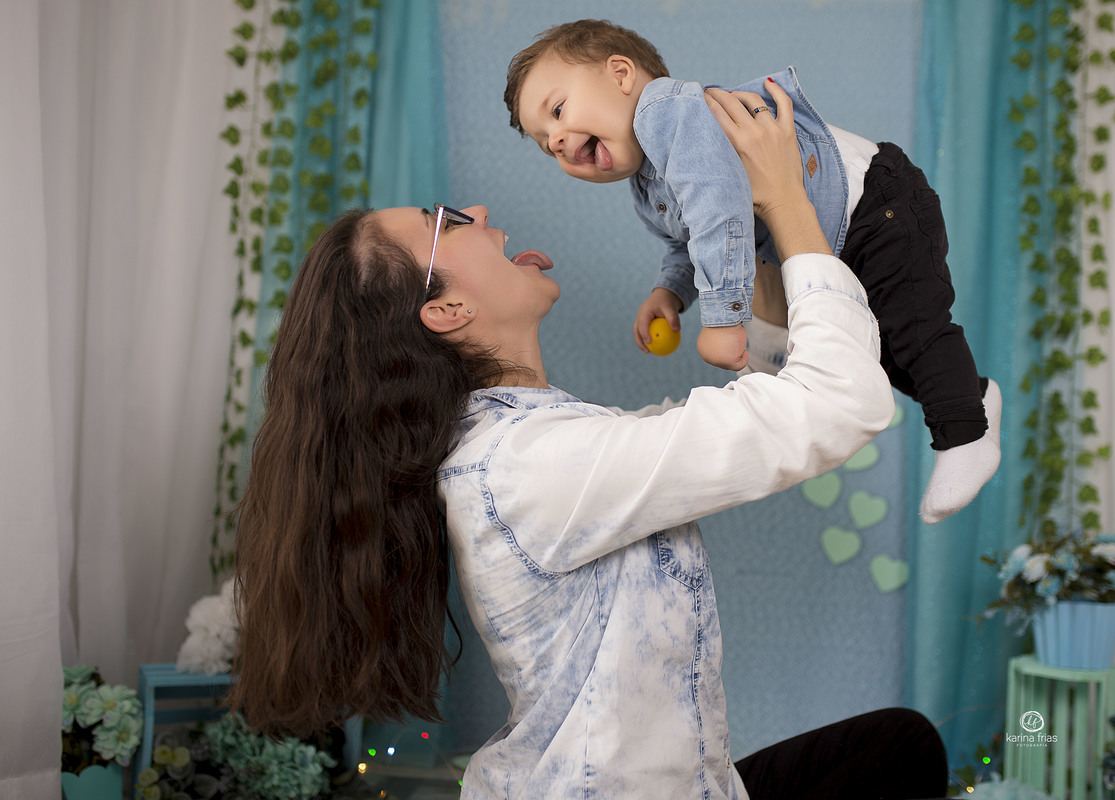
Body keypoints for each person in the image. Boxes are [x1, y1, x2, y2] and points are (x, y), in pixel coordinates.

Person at [230, 76, 949, 799]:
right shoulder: (526, 466)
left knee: (895, 748)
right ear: (446, 310)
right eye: (446, 220)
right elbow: (838, 403)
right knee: (899, 754)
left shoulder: (533, 442)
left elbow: (754, 410)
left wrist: (755, 248)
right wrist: (790, 201)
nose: (479, 212)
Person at [504, 18, 1002, 524]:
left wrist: (724, 320)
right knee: (886, 351)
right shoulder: (647, 185)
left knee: (915, 329)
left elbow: (718, 211)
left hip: (877, 204)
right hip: (842, 237)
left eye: (558, 111)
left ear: (621, 74)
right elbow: (689, 242)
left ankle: (966, 434)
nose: (558, 141)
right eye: (547, 145)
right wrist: (670, 292)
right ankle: (975, 395)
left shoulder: (667, 112)